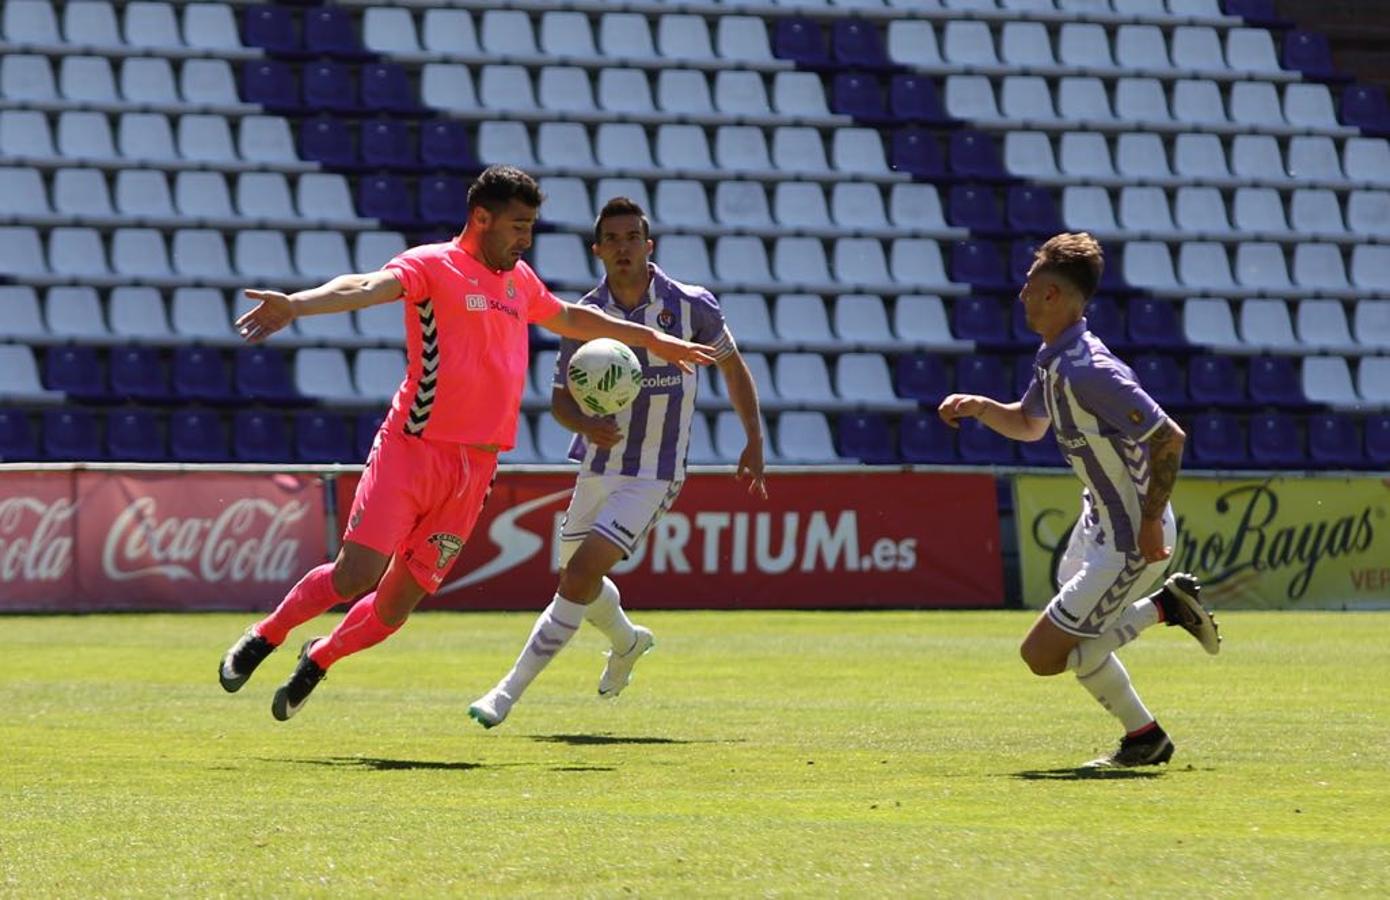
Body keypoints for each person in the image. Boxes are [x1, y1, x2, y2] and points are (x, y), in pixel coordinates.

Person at [217, 166, 716, 721]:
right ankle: (266, 635)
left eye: (530, 227)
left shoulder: (518, 280)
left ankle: (320, 658)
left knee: (396, 605)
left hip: (474, 470)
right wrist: (299, 304)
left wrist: (650, 339)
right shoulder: (432, 265)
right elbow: (364, 286)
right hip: (414, 448)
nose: (526, 239)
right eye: (518, 226)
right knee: (356, 574)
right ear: (482, 218)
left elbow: (572, 316)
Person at [467, 197, 767, 728]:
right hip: (599, 466)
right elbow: (560, 401)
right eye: (614, 239)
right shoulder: (584, 317)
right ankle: (627, 642)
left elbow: (731, 365)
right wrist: (585, 425)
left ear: (648, 246)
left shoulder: (690, 305)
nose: (624, 248)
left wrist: (753, 438)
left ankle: (506, 693)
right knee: (575, 574)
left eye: (633, 238)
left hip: (656, 471)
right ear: (598, 250)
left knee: (579, 573)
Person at [938, 232, 1220, 769]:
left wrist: (1152, 519)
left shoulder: (1090, 370)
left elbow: (1169, 438)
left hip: (1131, 538)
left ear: (1055, 296)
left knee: (1046, 655)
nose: (1020, 296)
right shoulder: (1054, 360)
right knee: (1075, 641)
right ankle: (1145, 732)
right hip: (1098, 523)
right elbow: (1027, 423)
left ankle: (1163, 615)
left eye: (1030, 288)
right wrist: (979, 408)